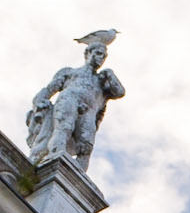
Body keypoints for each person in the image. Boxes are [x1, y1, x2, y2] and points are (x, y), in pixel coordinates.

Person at [28, 32, 125, 169]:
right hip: (69, 99)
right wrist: (40, 101)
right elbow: (49, 89)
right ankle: (54, 160)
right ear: (88, 53)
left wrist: (110, 74)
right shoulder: (71, 72)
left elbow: (120, 92)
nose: (100, 58)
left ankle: (77, 174)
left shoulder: (103, 83)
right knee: (64, 128)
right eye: (97, 53)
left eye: (103, 56)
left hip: (89, 110)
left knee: (86, 145)